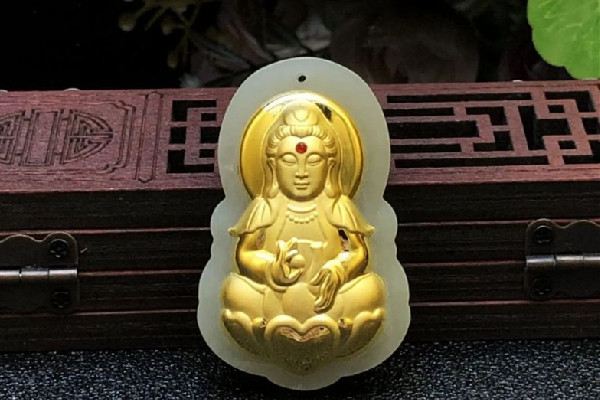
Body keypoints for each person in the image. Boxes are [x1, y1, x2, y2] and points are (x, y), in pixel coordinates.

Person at [221, 100, 385, 374]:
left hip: (330, 299)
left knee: (371, 288)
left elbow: (359, 252)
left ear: (330, 165)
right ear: (272, 165)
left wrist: (338, 269)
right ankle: (312, 334)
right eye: (288, 160)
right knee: (233, 289)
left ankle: (290, 335)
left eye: (313, 160)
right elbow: (244, 254)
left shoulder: (337, 205)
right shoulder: (265, 206)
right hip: (273, 299)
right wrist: (271, 269)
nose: (301, 172)